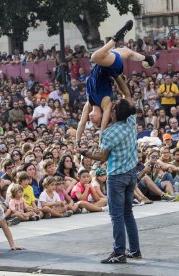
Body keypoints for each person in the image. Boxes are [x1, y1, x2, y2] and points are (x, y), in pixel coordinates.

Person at [76, 82, 141, 263]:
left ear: (113, 113)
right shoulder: (131, 121)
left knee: (117, 215)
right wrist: (117, 75)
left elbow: (102, 157)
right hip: (131, 174)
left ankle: (119, 252)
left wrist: (84, 152)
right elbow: (127, 92)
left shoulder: (109, 133)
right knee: (128, 213)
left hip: (117, 177)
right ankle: (134, 250)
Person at [76, 20, 159, 144]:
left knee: (126, 51)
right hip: (111, 68)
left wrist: (77, 142)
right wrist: (100, 141)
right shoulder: (106, 103)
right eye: (95, 122)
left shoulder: (89, 103)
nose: (90, 119)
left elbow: (81, 123)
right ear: (102, 118)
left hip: (105, 63)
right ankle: (115, 38)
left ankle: (148, 59)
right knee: (94, 57)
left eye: (92, 122)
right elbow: (103, 128)